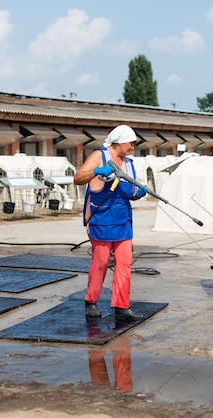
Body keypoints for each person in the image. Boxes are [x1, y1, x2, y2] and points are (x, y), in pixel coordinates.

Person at [74, 124, 147, 322]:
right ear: (120, 142)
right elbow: (78, 178)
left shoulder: (130, 163)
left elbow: (129, 193)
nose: (133, 147)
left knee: (124, 263)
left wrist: (137, 194)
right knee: (101, 263)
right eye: (131, 143)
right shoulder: (100, 155)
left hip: (123, 220)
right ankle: (91, 301)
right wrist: (98, 170)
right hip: (101, 219)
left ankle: (121, 306)